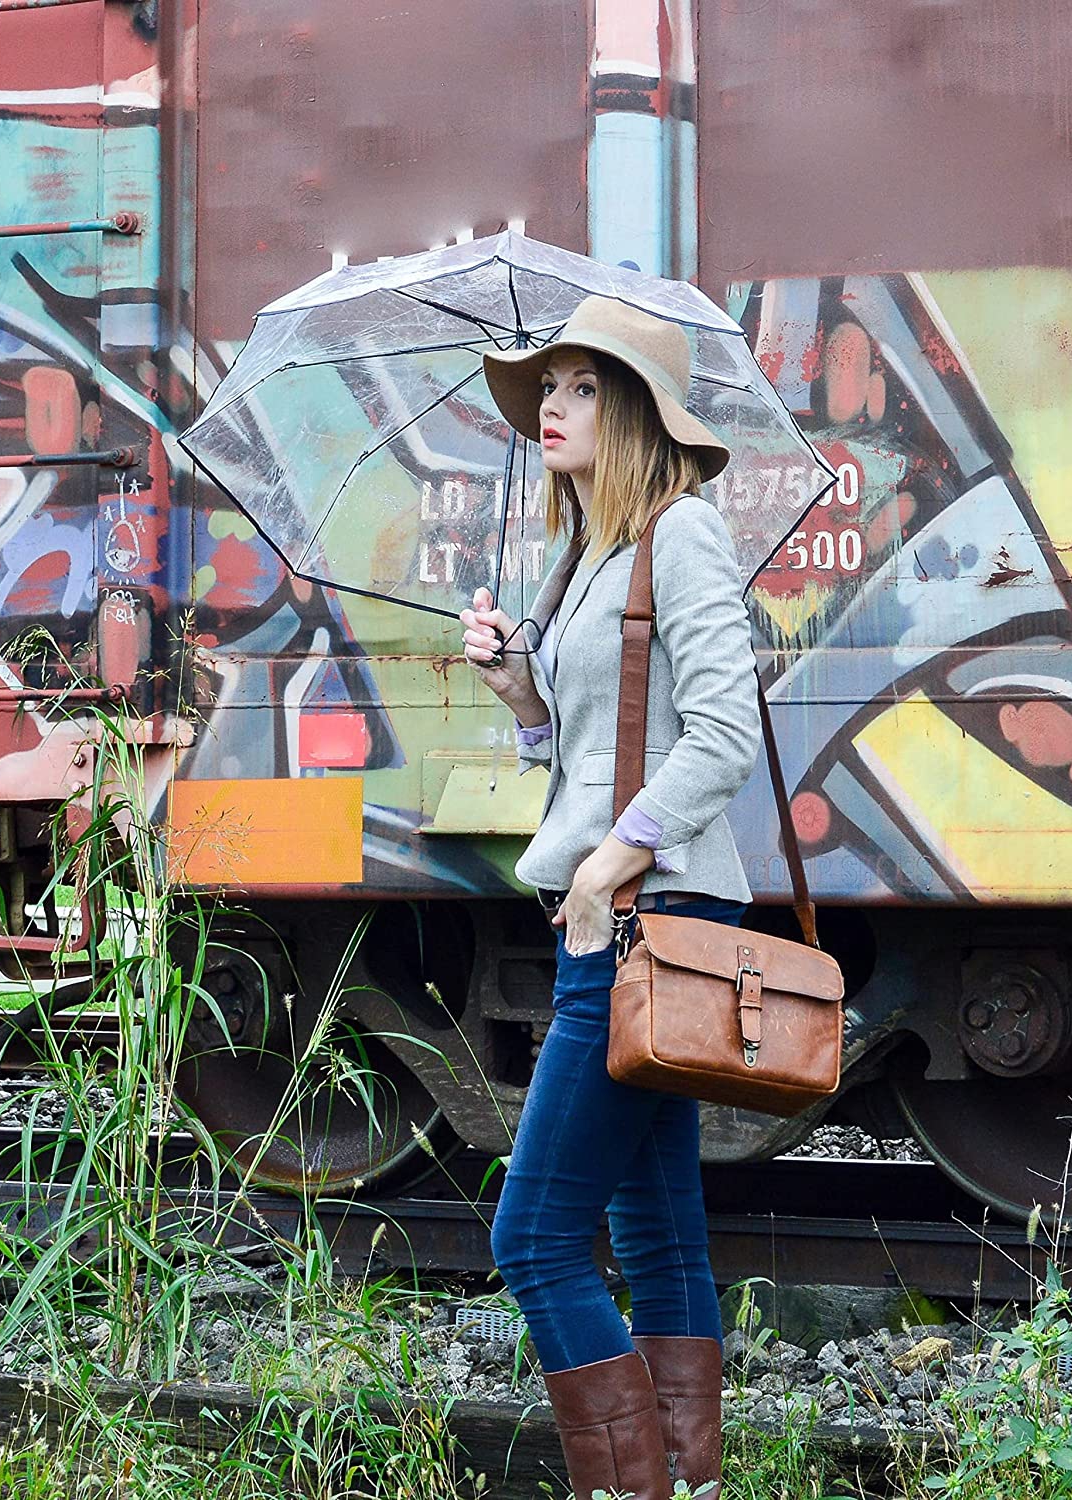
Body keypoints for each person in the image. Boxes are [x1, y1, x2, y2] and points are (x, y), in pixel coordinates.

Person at [460, 296, 760, 1500]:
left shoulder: (680, 535)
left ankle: (623, 1490)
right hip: (632, 913)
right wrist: (518, 692)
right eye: (548, 386)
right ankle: (683, 1479)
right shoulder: (586, 552)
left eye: (583, 386)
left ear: (635, 411)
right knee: (653, 1228)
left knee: (531, 1240)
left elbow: (727, 735)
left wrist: (608, 858)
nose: (552, 404)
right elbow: (585, 750)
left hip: (650, 918)